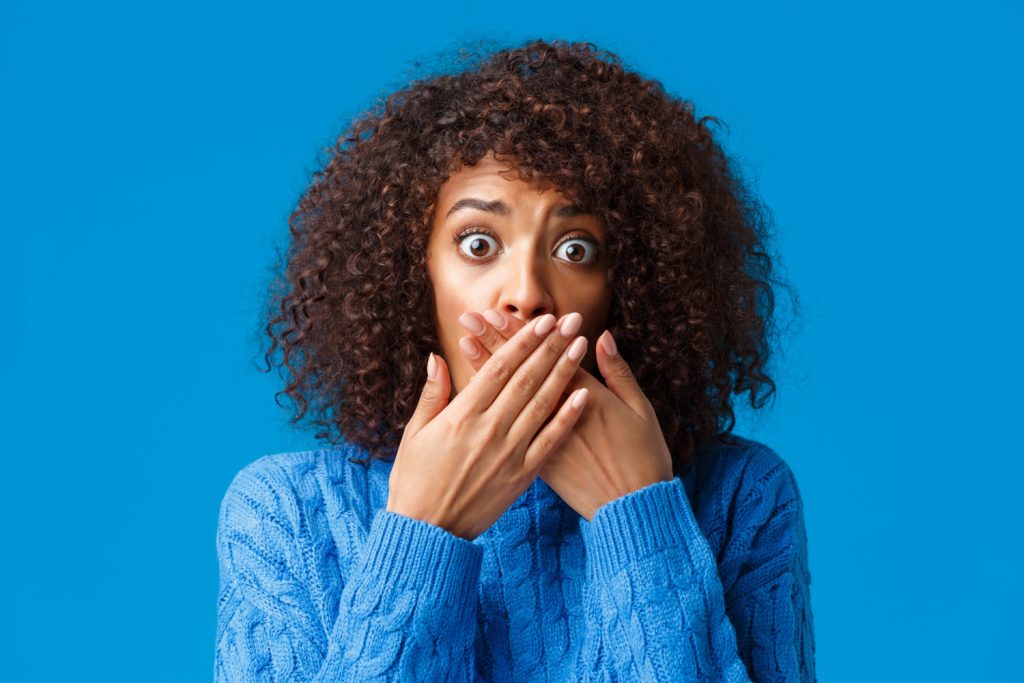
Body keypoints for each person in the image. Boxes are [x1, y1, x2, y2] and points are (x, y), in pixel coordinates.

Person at [215, 38, 816, 682]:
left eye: (576, 249)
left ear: (631, 286)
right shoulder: (286, 512)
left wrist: (640, 514)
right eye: (478, 243)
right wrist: (422, 533)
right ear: (412, 277)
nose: (526, 293)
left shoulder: (741, 496)